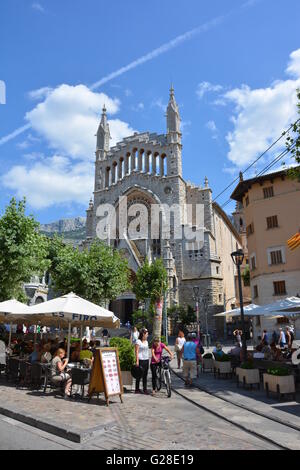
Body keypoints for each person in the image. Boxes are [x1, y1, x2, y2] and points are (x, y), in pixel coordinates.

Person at [135, 328, 150, 394]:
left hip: (146, 360)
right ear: (143, 334)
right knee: (139, 375)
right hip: (140, 360)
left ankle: (145, 389)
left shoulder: (146, 342)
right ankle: (137, 389)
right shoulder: (138, 341)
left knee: (145, 375)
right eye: (147, 334)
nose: (147, 335)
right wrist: (137, 361)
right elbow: (136, 351)